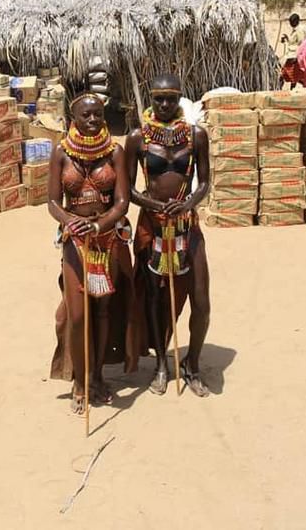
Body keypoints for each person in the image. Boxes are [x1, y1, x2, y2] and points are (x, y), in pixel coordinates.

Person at [48, 93, 139, 413]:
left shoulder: (115, 151)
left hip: (107, 240)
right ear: (74, 118)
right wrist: (71, 222)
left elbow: (122, 202)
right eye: (86, 115)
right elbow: (53, 203)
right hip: (75, 242)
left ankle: (98, 376)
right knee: (77, 315)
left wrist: (99, 227)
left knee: (102, 312)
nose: (92, 120)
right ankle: (80, 380)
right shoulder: (61, 152)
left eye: (98, 115)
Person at [125, 74, 212, 397]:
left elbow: (203, 182)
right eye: (158, 98)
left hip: (187, 224)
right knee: (155, 296)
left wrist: (187, 203)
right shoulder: (137, 138)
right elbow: (129, 189)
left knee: (201, 300)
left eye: (170, 99)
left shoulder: (195, 136)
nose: (164, 105)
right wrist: (153, 203)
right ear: (150, 99)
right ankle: (162, 363)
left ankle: (193, 363)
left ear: (180, 99)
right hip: (153, 225)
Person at [278, 13, 302, 88]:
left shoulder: (300, 31)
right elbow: (293, 42)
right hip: (290, 55)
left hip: (294, 55)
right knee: (285, 75)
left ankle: (292, 91)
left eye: (293, 22)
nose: (291, 24)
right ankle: (279, 89)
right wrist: (286, 38)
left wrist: (297, 56)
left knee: (292, 76)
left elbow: (301, 44)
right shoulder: (294, 30)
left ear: (297, 21)